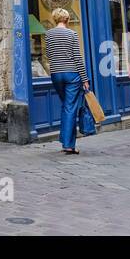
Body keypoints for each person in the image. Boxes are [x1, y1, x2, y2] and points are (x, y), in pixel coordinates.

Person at [44, 8, 91, 154]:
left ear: (55, 19)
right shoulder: (72, 34)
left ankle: (64, 139)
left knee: (67, 106)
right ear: (67, 19)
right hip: (72, 74)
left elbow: (49, 54)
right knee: (70, 108)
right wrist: (85, 78)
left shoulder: (48, 34)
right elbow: (77, 57)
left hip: (56, 74)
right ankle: (68, 144)